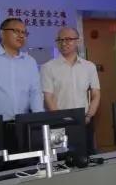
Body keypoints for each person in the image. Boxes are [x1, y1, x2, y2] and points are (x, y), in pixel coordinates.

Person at [40, 27, 101, 155]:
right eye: (60, 40)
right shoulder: (48, 67)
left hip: (84, 121)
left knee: (87, 157)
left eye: (68, 39)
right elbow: (48, 97)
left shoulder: (89, 66)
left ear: (78, 41)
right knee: (62, 160)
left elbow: (96, 94)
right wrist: (60, 120)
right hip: (59, 124)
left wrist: (89, 116)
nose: (63, 43)